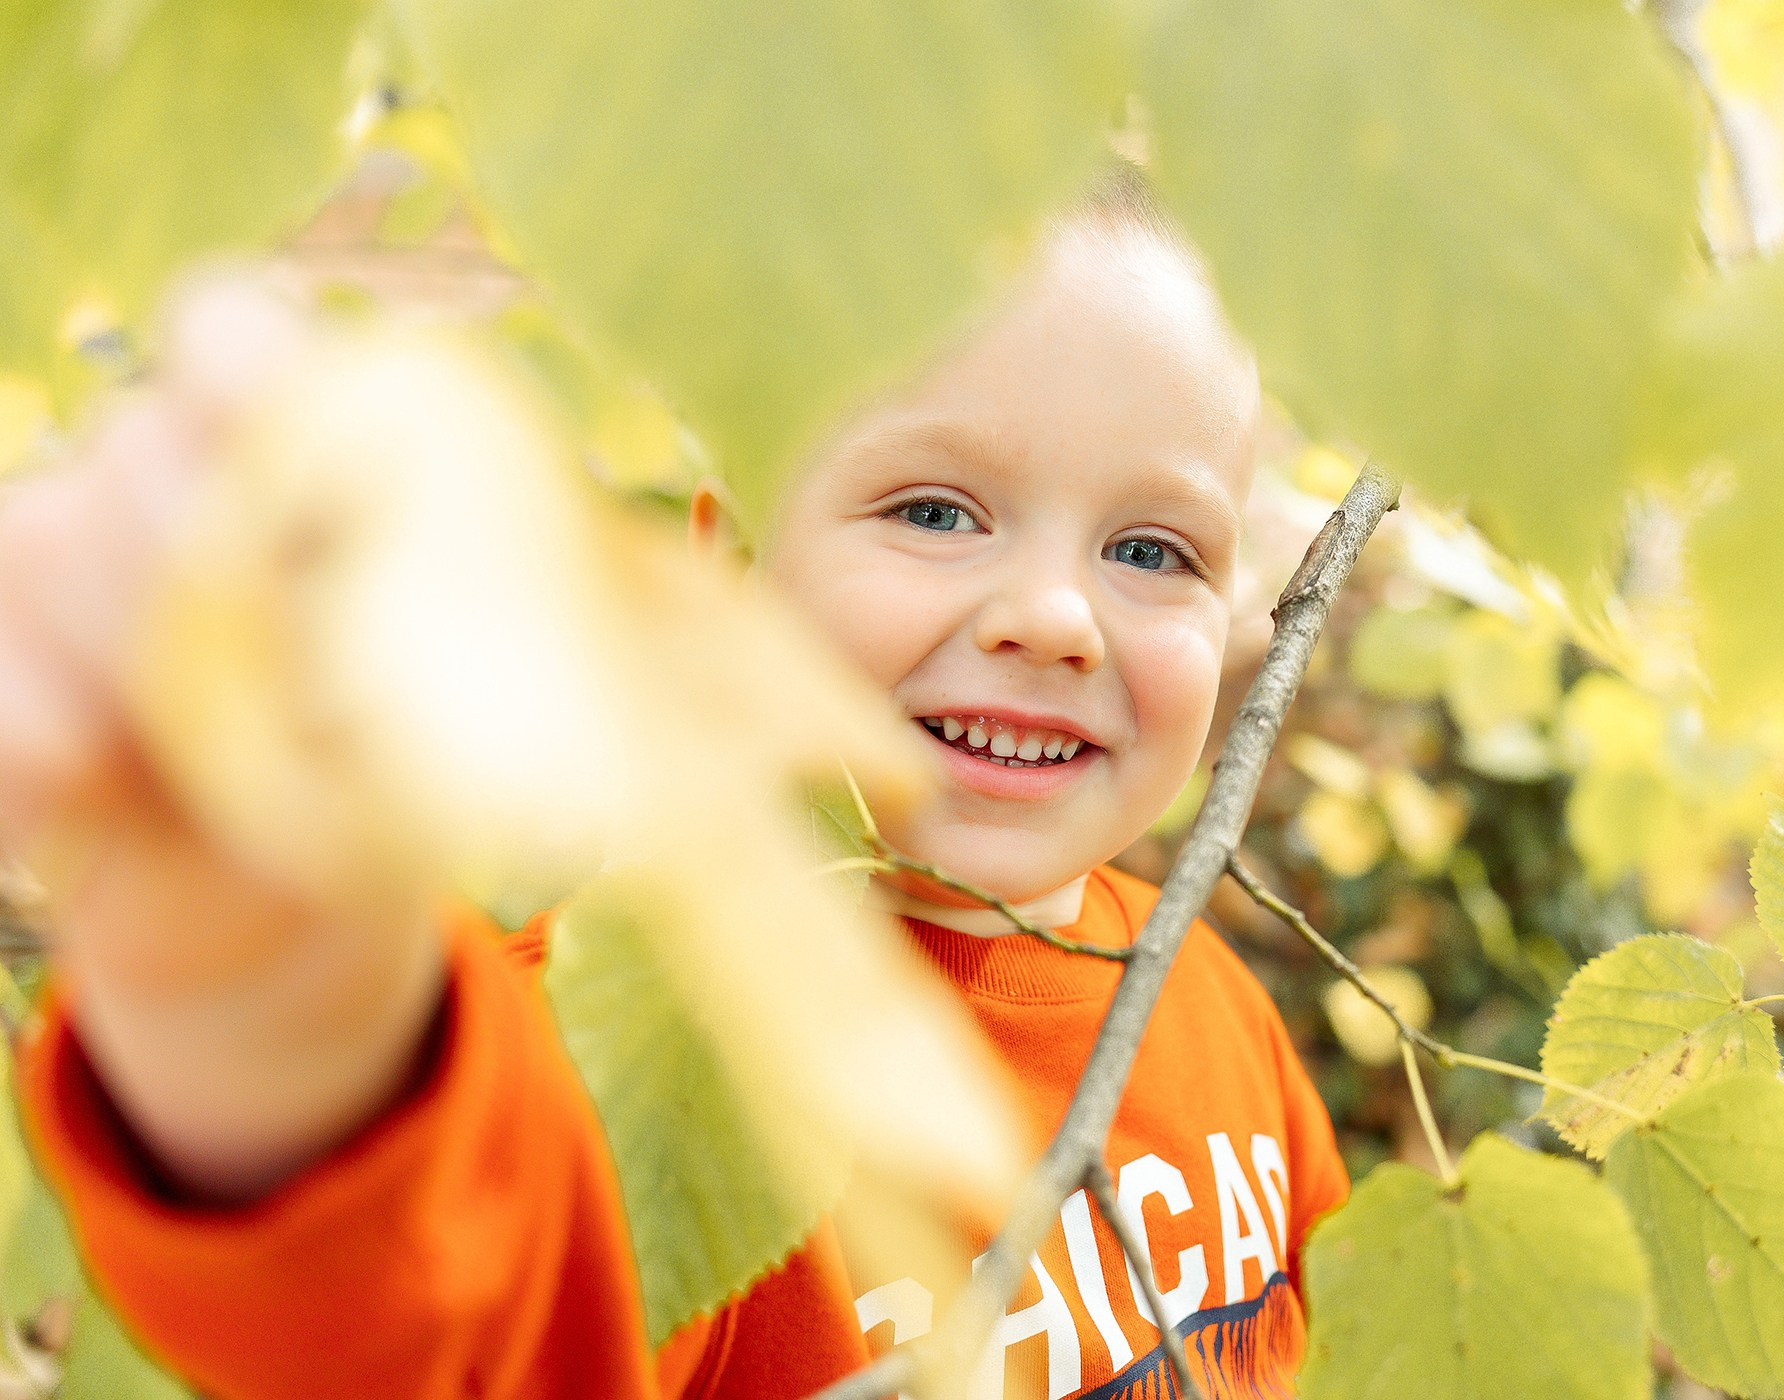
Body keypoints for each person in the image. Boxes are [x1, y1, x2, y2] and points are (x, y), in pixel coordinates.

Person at [0, 166, 1349, 1397]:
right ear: (729, 571)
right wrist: (267, 999)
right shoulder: (636, 1046)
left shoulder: (1210, 1004)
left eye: (1156, 550)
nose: (1054, 615)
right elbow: (441, 1325)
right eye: (935, 511)